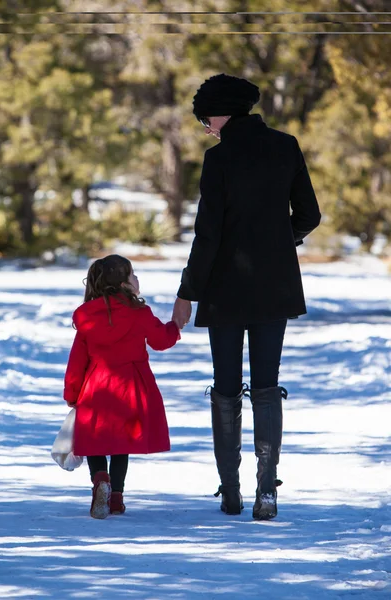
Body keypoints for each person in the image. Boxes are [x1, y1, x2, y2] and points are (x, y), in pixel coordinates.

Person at [172, 73, 321, 520]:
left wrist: (186, 291)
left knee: (225, 386)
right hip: (274, 286)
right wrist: (279, 241)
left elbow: (207, 234)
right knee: (267, 385)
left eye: (206, 118)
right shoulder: (286, 145)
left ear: (224, 112)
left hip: (224, 290)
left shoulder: (218, 159)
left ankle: (232, 491)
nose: (205, 127)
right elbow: (310, 214)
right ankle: (267, 492)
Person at [64, 255, 180, 519]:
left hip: (96, 387)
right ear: (124, 284)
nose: (137, 279)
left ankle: (100, 480)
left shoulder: (88, 317)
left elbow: (77, 360)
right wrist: (175, 325)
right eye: (133, 275)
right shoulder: (139, 313)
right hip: (131, 387)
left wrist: (72, 393)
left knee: (93, 442)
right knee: (121, 443)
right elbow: (161, 340)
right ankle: (116, 498)